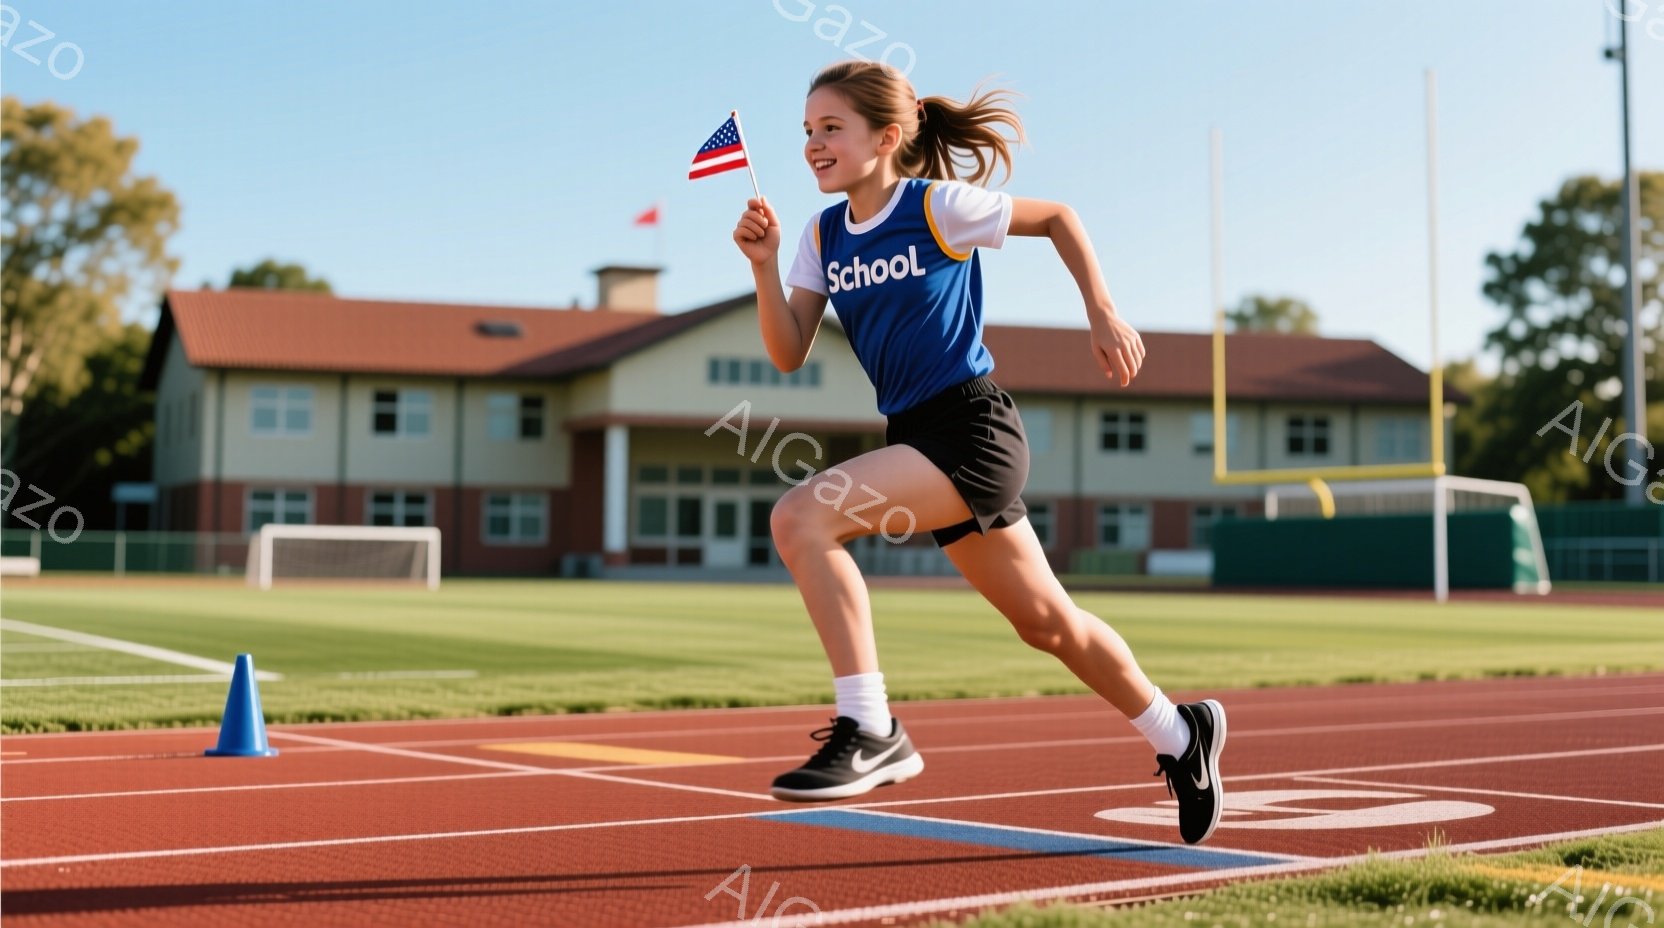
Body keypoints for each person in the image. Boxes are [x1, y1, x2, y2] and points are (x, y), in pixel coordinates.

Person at [729, 60, 1227, 845]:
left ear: (887, 137)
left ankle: (871, 725)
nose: (812, 145)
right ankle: (1180, 733)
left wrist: (1102, 310)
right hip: (915, 437)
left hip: (973, 428)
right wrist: (762, 267)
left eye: (831, 129)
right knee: (1050, 624)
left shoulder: (936, 208)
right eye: (806, 132)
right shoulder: (821, 236)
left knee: (802, 519)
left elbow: (1059, 216)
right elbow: (788, 350)